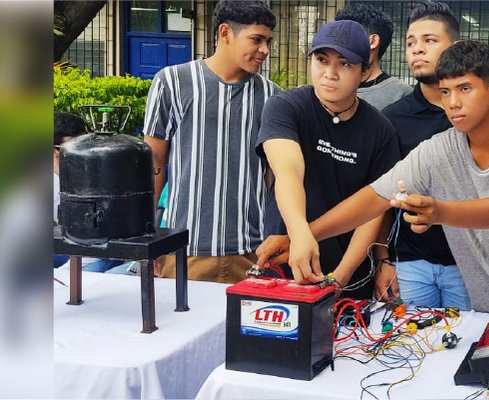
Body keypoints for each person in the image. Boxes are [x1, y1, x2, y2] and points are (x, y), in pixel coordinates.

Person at [258, 40, 489, 317]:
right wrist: (301, 236)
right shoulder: (438, 149)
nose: (453, 102)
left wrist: (441, 212)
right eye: (445, 92)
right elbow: (374, 198)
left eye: (465, 89)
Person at [376, 1, 489, 309]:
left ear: (454, 46)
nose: (417, 50)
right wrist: (384, 259)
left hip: (476, 263)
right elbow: (383, 198)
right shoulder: (394, 118)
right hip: (412, 262)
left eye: (429, 40)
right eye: (411, 42)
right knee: (412, 347)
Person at [255, 20, 401, 300]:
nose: (330, 74)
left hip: (348, 278)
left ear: (364, 72)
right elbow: (287, 172)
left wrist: (340, 279)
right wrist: (299, 234)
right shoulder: (286, 107)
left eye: (344, 64)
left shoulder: (381, 131)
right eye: (322, 60)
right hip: (284, 266)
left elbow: (375, 209)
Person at [142, 0, 280, 283]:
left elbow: (274, 176)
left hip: (252, 252)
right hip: (184, 249)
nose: (264, 50)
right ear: (226, 33)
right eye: (256, 39)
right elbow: (153, 162)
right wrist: (148, 239)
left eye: (268, 41)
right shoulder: (172, 82)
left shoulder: (273, 97)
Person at [53, 112, 123, 272]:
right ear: (54, 152)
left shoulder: (98, 178)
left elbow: (99, 244)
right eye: (74, 150)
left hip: (102, 252)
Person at [335, 3, 412, 110]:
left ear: (372, 41)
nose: (338, 43)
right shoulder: (328, 85)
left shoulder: (401, 95)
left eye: (346, 35)